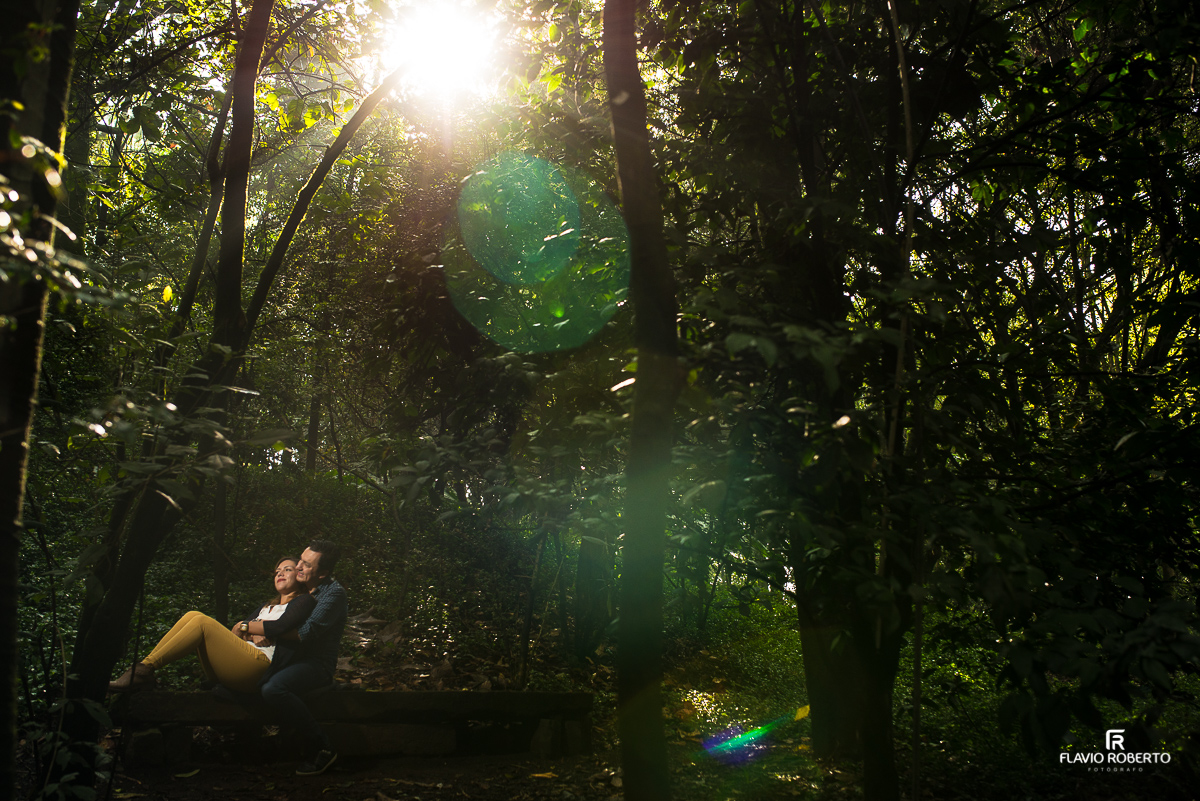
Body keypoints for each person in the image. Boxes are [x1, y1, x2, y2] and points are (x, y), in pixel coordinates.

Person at [108, 557, 315, 693]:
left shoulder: (303, 601)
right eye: (277, 570)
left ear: (298, 576)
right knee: (192, 614)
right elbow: (236, 631)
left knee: (200, 621)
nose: (279, 573)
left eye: (287, 570)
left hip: (258, 667)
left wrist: (248, 627)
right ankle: (145, 669)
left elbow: (279, 627)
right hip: (237, 663)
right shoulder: (266, 607)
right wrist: (252, 631)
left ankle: (143, 671)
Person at [258, 539, 347, 777]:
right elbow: (274, 617)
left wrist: (258, 629)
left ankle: (323, 748)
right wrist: (262, 631)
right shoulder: (300, 587)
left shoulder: (333, 594)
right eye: (300, 560)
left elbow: (304, 633)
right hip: (285, 657)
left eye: (306, 565)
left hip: (315, 664)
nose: (298, 567)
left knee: (273, 689)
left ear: (324, 573)